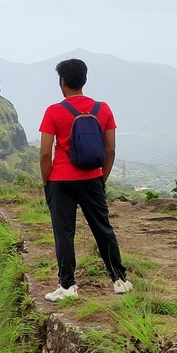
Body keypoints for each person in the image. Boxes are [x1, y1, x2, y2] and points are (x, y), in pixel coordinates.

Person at [39, 58, 132, 302]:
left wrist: (47, 181)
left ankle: (68, 286)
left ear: (62, 82)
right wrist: (102, 178)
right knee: (103, 229)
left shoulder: (54, 111)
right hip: (92, 178)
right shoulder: (103, 109)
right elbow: (110, 150)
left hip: (60, 180)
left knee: (64, 233)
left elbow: (45, 152)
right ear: (84, 80)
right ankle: (119, 280)